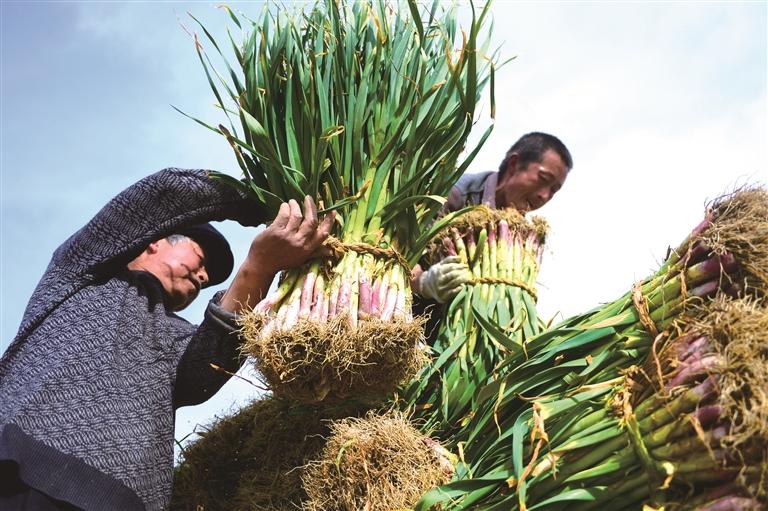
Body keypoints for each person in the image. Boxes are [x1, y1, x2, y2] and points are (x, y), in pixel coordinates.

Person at [0, 168, 334, 510]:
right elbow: (155, 196)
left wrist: (259, 267)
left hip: (120, 501)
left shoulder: (175, 336)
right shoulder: (82, 271)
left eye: (207, 278)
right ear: (155, 241)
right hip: (22, 472)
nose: (203, 276)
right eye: (201, 260)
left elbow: (204, 373)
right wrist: (257, 201)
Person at [412, 132, 572, 321]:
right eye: (544, 179)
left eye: (554, 190)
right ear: (514, 165)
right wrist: (423, 282)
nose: (544, 196)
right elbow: (397, 252)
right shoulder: (455, 195)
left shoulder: (524, 238)